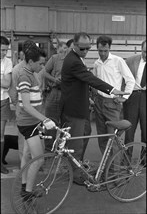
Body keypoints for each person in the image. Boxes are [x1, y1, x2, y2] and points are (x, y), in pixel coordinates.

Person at [60, 32, 129, 185]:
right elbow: (90, 79)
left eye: (87, 48)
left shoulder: (80, 58)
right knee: (80, 142)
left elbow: (85, 81)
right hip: (77, 109)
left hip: (101, 105)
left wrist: (123, 97)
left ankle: (112, 172)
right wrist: (111, 90)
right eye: (82, 48)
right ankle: (76, 172)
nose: (85, 52)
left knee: (98, 136)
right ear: (74, 46)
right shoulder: (75, 61)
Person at [14, 43, 56, 200]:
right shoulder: (25, 76)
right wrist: (45, 119)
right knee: (38, 159)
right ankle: (28, 193)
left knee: (26, 154)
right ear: (30, 62)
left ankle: (25, 185)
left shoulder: (30, 74)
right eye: (40, 63)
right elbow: (25, 105)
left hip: (32, 122)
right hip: (29, 123)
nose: (42, 66)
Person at [92, 35, 135, 156]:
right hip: (99, 102)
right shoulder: (97, 63)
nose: (103, 54)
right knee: (102, 137)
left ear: (109, 48)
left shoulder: (118, 61)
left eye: (105, 51)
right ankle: (106, 169)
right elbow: (95, 81)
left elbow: (130, 80)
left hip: (112, 103)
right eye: (100, 51)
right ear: (97, 49)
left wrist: (124, 98)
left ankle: (115, 172)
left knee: (113, 138)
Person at [123, 40, 146, 149]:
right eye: (145, 51)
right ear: (141, 49)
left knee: (146, 131)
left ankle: (144, 160)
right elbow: (123, 79)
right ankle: (126, 162)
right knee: (129, 129)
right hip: (133, 96)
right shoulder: (130, 61)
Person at [0, 36, 13, 174]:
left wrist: (4, 80)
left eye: (5, 50)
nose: (4, 53)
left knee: (1, 134)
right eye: (2, 50)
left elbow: (7, 83)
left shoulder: (8, 62)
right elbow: (3, 81)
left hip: (3, 100)